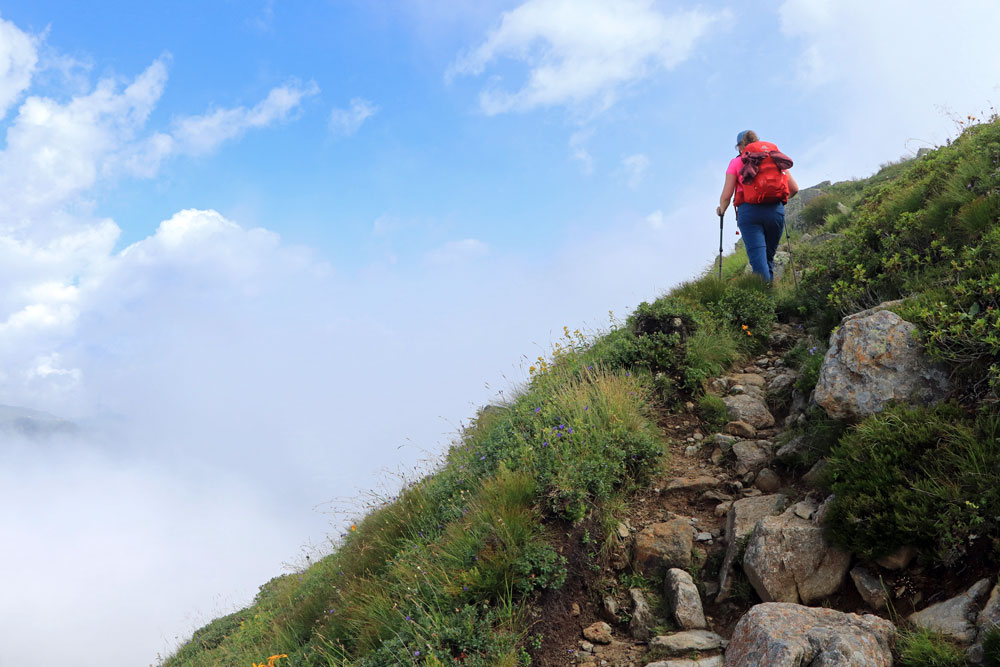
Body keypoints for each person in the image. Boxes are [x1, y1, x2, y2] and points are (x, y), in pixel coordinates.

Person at [717, 130, 799, 281]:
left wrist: (721, 210)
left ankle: (765, 301)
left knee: (758, 263)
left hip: (749, 213)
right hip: (775, 211)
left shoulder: (736, 162)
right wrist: (776, 201)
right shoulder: (773, 158)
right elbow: (794, 188)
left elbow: (726, 196)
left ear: (740, 147)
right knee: (768, 260)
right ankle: (770, 299)